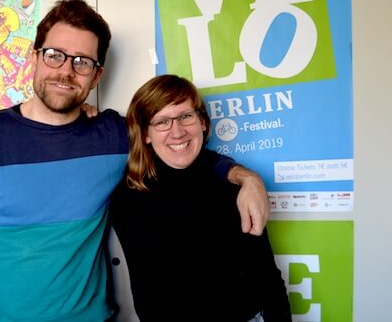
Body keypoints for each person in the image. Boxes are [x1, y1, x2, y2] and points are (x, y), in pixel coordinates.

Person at [0, 0, 270, 321]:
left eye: (82, 62)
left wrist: (244, 177)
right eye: (54, 55)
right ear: (34, 57)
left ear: (97, 75)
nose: (66, 71)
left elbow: (178, 146)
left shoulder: (112, 135)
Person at [109, 74, 291, 321]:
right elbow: (150, 295)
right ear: (145, 134)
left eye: (185, 116)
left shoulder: (235, 187)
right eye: (162, 121)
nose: (177, 132)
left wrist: (248, 178)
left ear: (202, 122)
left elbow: (266, 275)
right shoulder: (128, 197)